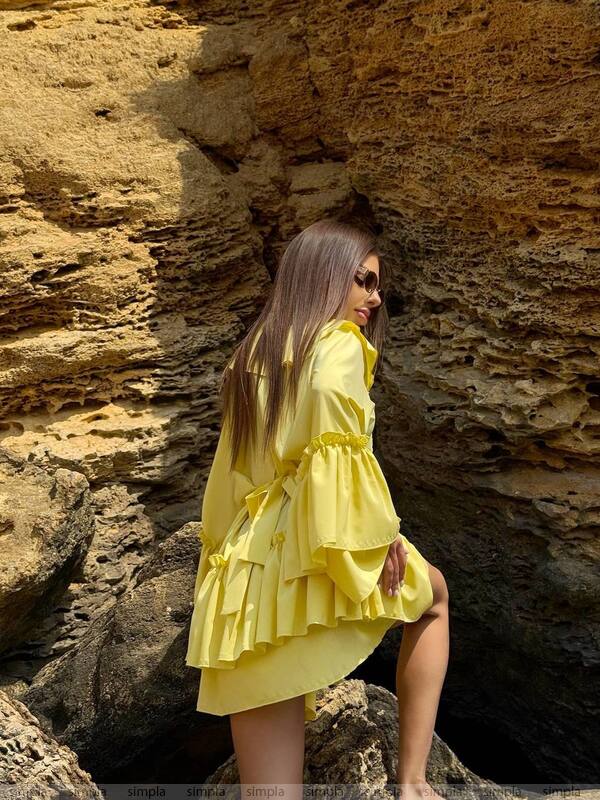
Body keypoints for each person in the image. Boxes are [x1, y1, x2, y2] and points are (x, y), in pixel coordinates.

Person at [185, 218, 450, 800]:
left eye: (377, 285)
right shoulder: (338, 345)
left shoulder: (250, 355)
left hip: (247, 581)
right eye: (363, 280)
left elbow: (227, 477)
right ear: (323, 275)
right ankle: (412, 783)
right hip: (309, 544)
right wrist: (379, 536)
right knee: (432, 601)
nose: (375, 297)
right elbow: (341, 447)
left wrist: (216, 570)